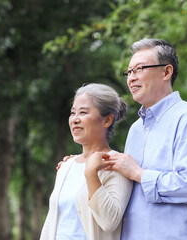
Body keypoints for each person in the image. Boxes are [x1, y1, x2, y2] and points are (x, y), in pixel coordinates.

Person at [106, 38, 187, 240]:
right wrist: (81, 163)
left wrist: (139, 174)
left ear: (166, 72)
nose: (131, 78)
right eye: (129, 72)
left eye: (139, 69)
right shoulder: (135, 129)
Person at [40, 83, 132, 240]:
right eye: (73, 113)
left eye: (83, 112)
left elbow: (109, 222)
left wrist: (91, 173)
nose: (75, 119)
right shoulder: (67, 166)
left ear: (107, 120)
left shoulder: (117, 164)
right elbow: (51, 221)